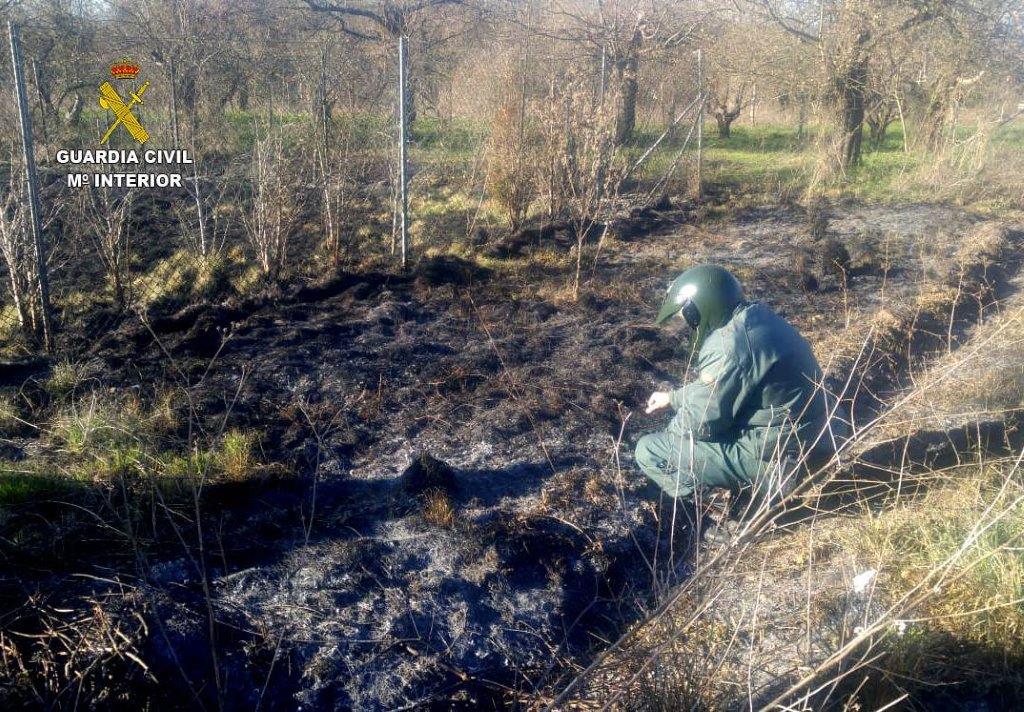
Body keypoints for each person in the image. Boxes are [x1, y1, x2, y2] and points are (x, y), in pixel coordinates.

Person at [634, 264, 847, 522]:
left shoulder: (729, 345)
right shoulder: (757, 319)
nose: (685, 328)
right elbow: (729, 383)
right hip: (820, 438)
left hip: (786, 460)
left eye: (684, 319)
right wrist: (675, 398)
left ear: (698, 310)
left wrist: (672, 446)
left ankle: (716, 514)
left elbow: (700, 424)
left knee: (649, 450)